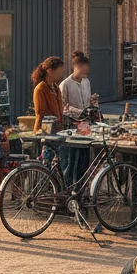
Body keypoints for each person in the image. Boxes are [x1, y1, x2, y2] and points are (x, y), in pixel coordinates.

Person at [59, 51, 96, 186]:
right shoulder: (65, 84)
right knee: (72, 159)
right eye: (84, 68)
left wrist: (92, 102)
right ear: (77, 67)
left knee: (84, 158)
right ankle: (69, 186)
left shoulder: (87, 82)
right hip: (71, 126)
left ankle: (81, 187)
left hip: (85, 125)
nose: (87, 70)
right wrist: (80, 111)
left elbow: (87, 102)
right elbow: (63, 108)